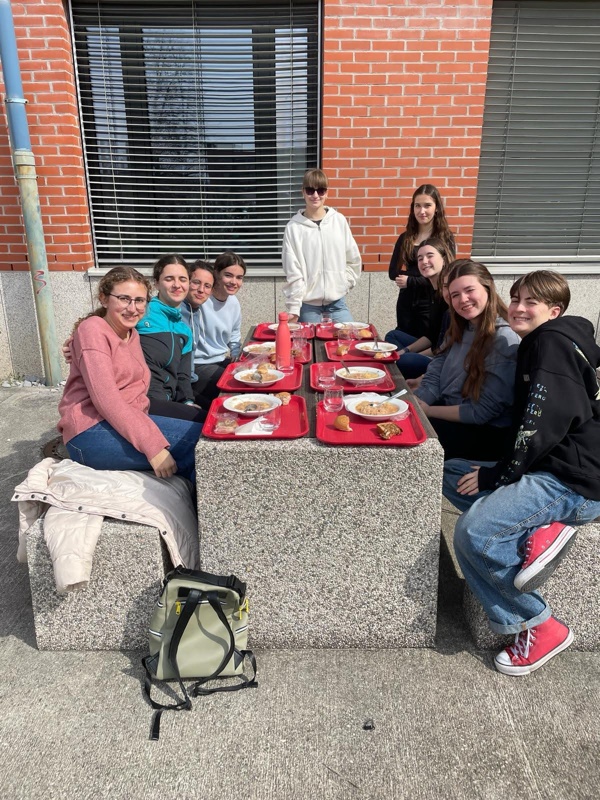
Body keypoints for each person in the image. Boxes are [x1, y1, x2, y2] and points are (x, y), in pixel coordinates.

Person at [442, 270, 600, 676]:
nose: (518, 308)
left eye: (531, 302)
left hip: (572, 480)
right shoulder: (541, 342)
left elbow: (539, 428)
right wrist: (497, 471)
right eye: (515, 299)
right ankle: (535, 530)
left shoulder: (550, 343)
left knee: (473, 534)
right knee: (451, 472)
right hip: (552, 465)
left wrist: (498, 477)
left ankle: (539, 626)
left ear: (554, 311)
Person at [58, 267, 201, 484]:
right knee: (197, 447)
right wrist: (153, 447)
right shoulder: (93, 329)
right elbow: (107, 401)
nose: (132, 308)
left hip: (129, 415)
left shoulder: (130, 333)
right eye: (124, 299)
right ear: (104, 298)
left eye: (139, 300)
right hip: (89, 431)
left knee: (204, 429)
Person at [415, 259, 520, 460]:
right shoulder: (461, 325)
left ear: (488, 288)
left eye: (469, 290)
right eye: (455, 295)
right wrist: (420, 401)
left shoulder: (504, 339)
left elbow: (482, 412)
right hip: (448, 410)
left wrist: (428, 411)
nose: (463, 299)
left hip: (483, 434)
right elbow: (437, 368)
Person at [282, 168, 362, 323]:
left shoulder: (339, 221)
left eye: (321, 190)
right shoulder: (293, 228)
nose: (315, 195)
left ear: (327, 193)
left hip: (338, 304)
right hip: (308, 306)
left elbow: (353, 259)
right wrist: (294, 308)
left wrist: (343, 284)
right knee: (312, 340)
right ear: (303, 192)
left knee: (349, 337)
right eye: (310, 190)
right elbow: (293, 271)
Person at [137, 254, 204, 423]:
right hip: (143, 402)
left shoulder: (184, 330)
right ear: (156, 283)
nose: (177, 285)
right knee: (205, 423)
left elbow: (183, 375)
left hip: (169, 401)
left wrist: (188, 401)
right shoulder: (140, 314)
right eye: (169, 279)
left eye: (182, 279)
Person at [388, 184, 455, 336]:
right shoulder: (405, 238)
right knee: (401, 338)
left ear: (436, 208)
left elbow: (446, 274)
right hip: (406, 302)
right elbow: (393, 272)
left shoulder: (445, 238)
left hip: (432, 301)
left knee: (427, 341)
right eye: (417, 206)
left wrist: (411, 280)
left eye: (427, 205)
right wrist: (410, 279)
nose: (421, 211)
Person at [384, 237, 452, 378]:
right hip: (435, 347)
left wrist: (409, 355)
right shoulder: (432, 291)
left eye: (430, 256)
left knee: (401, 361)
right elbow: (431, 336)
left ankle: (411, 378)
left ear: (444, 259)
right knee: (393, 336)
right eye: (420, 258)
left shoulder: (448, 294)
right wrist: (405, 351)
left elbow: (442, 347)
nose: (424, 261)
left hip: (444, 358)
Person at [189, 251, 245, 408]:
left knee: (251, 376)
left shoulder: (233, 302)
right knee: (236, 385)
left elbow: (234, 334)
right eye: (228, 275)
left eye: (239, 277)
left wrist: (235, 353)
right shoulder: (201, 299)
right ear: (216, 274)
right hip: (198, 364)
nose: (234, 282)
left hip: (221, 360)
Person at [180, 259, 215, 358]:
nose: (201, 290)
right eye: (196, 282)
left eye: (207, 286)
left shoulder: (196, 311)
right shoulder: (176, 310)